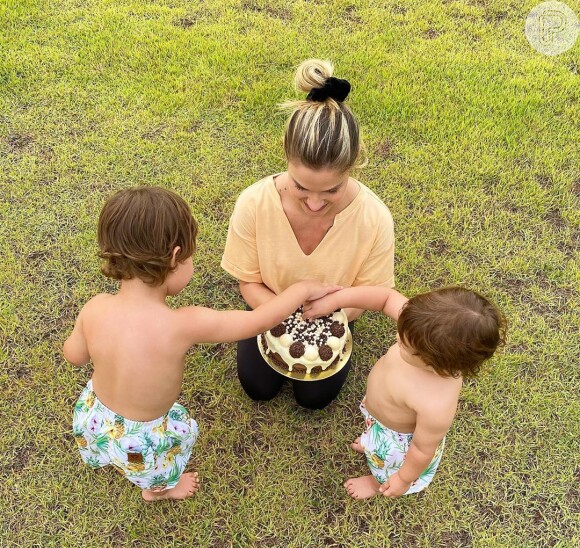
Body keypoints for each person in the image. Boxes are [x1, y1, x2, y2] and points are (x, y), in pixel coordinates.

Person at [64, 186, 339, 501]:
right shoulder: (182, 324)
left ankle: (115, 457)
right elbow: (258, 321)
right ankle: (158, 491)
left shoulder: (95, 307)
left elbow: (74, 355)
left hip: (95, 417)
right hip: (143, 437)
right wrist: (301, 289)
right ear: (175, 256)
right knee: (153, 468)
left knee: (117, 450)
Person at [221, 59, 395, 409]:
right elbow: (249, 282)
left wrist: (324, 318)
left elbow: (366, 295)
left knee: (315, 397)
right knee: (258, 386)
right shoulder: (254, 203)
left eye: (331, 191)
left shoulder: (374, 218)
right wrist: (281, 315)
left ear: (353, 165)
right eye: (301, 187)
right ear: (285, 155)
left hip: (334, 317)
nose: (314, 204)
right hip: (267, 304)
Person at [303, 285, 506, 498]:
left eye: (404, 344)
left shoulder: (436, 403)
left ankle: (375, 481)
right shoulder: (421, 326)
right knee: (373, 434)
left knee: (386, 464)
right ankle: (371, 441)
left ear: (436, 363)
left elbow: (421, 450)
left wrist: (403, 479)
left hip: (396, 442)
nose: (398, 335)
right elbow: (385, 298)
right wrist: (335, 300)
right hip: (378, 415)